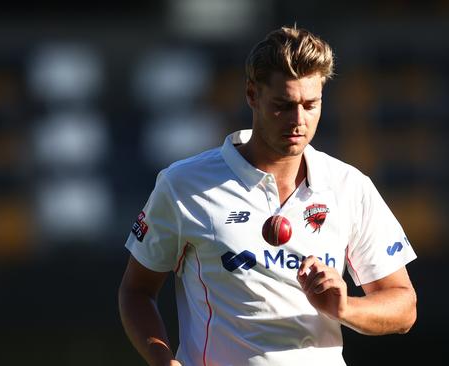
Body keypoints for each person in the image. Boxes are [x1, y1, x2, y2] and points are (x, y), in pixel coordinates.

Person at [118, 25, 417, 366]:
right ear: (251, 95)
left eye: (310, 104)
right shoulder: (183, 184)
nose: (298, 121)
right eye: (283, 105)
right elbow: (136, 291)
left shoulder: (349, 186)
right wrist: (162, 360)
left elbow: (403, 306)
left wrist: (344, 307)